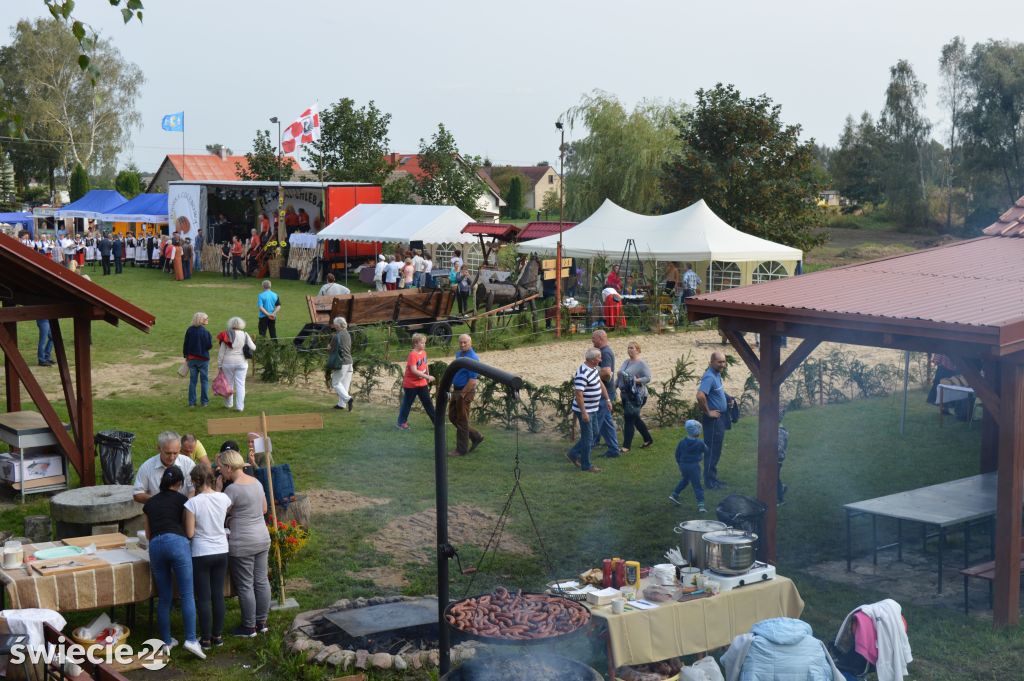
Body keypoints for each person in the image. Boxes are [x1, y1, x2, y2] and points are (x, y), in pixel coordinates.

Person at [143, 465, 206, 659]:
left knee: (164, 597)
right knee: (187, 594)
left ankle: (166, 641)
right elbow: (189, 529)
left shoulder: (150, 504)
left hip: (155, 546)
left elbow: (147, 534)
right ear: (179, 484)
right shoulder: (183, 501)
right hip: (178, 543)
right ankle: (191, 639)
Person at [219, 449, 271, 638]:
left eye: (221, 468)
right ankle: (262, 622)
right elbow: (264, 509)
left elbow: (218, 512)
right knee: (262, 581)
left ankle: (249, 627)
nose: (221, 472)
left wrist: (218, 489)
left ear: (229, 467)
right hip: (262, 537)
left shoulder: (232, 489)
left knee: (245, 585)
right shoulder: (256, 483)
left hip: (243, 542)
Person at [184, 464, 232, 650]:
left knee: (204, 598)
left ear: (195, 482)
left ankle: (205, 639)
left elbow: (189, 533)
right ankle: (217, 636)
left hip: (201, 552)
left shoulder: (192, 503)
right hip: (221, 549)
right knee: (218, 594)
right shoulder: (224, 498)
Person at [566, 347, 609, 473]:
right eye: (599, 357)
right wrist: (584, 412)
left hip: (593, 408)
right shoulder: (583, 373)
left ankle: (573, 453)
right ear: (592, 359)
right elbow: (578, 394)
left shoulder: (593, 368)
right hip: (585, 410)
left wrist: (607, 400)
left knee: (594, 433)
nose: (601, 359)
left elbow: (600, 383)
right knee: (588, 437)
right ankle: (586, 464)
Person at [132, 431, 196, 504]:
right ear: (159, 448)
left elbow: (194, 490)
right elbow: (137, 494)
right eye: (168, 453)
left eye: (175, 453)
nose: (172, 457)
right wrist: (161, 502)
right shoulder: (147, 466)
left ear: (180, 448)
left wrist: (185, 506)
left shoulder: (188, 464)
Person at [696, 352, 729, 489]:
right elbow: (700, 395)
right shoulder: (709, 376)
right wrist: (708, 412)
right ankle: (710, 482)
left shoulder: (717, 374)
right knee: (712, 451)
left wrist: (728, 399)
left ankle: (713, 478)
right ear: (711, 362)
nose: (723, 364)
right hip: (713, 421)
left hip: (719, 419)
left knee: (716, 450)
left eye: (724, 362)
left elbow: (718, 391)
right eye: (719, 362)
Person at [447, 334, 483, 457]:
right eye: (461, 342)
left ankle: (461, 450)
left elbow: (472, 381)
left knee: (462, 420)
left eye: (465, 343)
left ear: (470, 343)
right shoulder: (459, 355)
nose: (462, 345)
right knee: (452, 416)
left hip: (465, 391)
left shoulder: (473, 359)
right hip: (456, 390)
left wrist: (462, 395)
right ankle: (476, 436)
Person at [396, 333, 436, 430]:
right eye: (422, 343)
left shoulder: (424, 353)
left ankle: (437, 423)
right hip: (411, 385)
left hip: (422, 383)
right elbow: (414, 371)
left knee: (428, 403)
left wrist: (427, 375)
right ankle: (401, 423)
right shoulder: (412, 355)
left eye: (424, 343)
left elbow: (425, 364)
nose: (424, 345)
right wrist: (427, 376)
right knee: (407, 404)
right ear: (415, 344)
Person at [618, 340, 653, 451]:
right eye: (628, 348)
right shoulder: (626, 362)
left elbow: (648, 378)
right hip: (625, 395)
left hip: (637, 396)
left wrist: (636, 381)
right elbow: (620, 376)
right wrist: (613, 388)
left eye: (632, 348)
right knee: (635, 418)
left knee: (629, 418)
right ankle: (648, 439)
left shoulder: (641, 364)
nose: (629, 350)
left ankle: (626, 446)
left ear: (638, 350)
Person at [591, 330, 621, 457]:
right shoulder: (604, 351)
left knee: (598, 421)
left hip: (605, 394)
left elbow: (607, 373)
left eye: (593, 338)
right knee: (606, 422)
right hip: (605, 394)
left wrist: (592, 374)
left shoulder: (605, 353)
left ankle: (585, 447)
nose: (592, 340)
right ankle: (613, 449)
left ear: (600, 338)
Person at [217, 317, 256, 412]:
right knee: (240, 385)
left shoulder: (226, 335)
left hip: (227, 362)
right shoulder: (245, 334)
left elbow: (221, 352)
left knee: (229, 384)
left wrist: (219, 365)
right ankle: (239, 407)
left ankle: (228, 404)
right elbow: (253, 347)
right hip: (241, 362)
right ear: (241, 325)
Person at [669, 420, 707, 512]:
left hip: (683, 465)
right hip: (694, 467)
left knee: (685, 480)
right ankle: (701, 506)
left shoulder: (682, 442)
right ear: (698, 432)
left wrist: (679, 463)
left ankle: (674, 495)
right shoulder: (700, 443)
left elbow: (677, 454)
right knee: (697, 485)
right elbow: (706, 450)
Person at [183, 312, 213, 408]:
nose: (207, 320)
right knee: (204, 381)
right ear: (201, 320)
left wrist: (186, 356)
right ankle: (204, 402)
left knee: (193, 381)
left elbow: (185, 344)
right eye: (206, 318)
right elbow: (209, 346)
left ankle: (192, 402)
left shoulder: (189, 330)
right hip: (203, 359)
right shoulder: (206, 332)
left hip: (192, 359)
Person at [326, 316, 354, 411]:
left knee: (336, 383)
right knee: (344, 385)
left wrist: (328, 347)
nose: (333, 326)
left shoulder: (336, 336)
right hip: (349, 362)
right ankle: (341, 404)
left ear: (337, 325)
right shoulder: (347, 334)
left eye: (334, 324)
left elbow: (331, 349)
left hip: (341, 363)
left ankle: (348, 399)